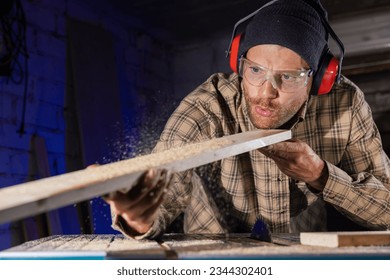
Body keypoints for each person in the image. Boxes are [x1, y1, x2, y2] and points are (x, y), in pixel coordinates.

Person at [106, 0, 390, 239]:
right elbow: (164, 189)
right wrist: (140, 218)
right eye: (255, 71)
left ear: (319, 81)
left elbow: (386, 209)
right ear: (238, 63)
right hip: (217, 261)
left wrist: (321, 176)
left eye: (288, 77)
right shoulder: (207, 107)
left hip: (302, 260)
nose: (266, 93)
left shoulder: (345, 104)